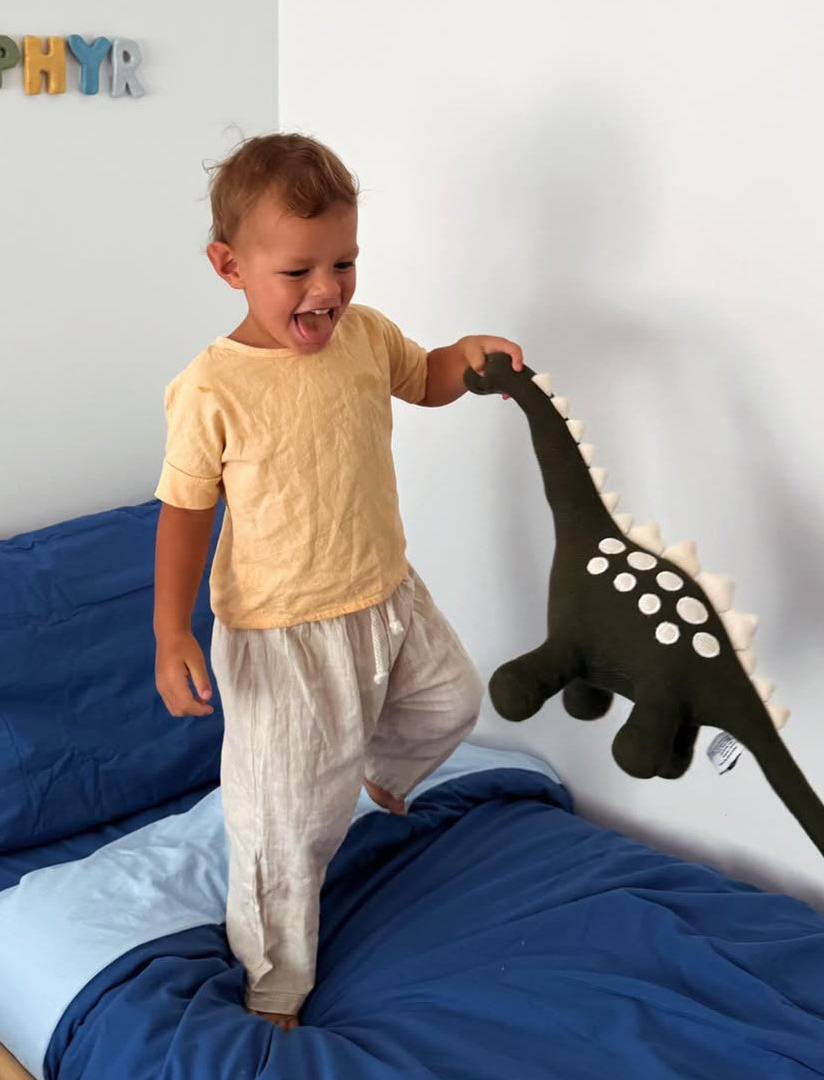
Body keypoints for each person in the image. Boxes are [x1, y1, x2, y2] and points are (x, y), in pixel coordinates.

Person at [153, 132, 523, 1031]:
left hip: (385, 592)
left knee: (451, 703)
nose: (328, 290)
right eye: (299, 271)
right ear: (229, 266)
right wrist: (170, 633)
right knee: (283, 830)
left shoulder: (363, 336)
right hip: (279, 634)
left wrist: (464, 360)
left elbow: (422, 378)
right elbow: (186, 511)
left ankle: (372, 777)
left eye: (345, 262)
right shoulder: (213, 387)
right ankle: (275, 984)